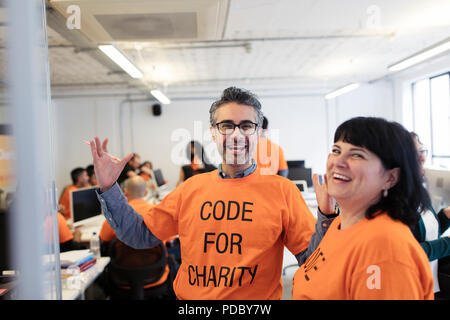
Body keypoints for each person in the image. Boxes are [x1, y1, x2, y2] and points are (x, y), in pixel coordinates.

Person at [88, 87, 330, 300]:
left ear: (259, 133)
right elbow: (138, 234)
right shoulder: (191, 189)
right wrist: (110, 188)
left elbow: (313, 260)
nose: (237, 135)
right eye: (226, 126)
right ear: (213, 133)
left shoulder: (282, 191)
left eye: (247, 126)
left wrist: (326, 217)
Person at [292, 117, 434, 300]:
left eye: (357, 154)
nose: (338, 161)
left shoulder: (385, 248)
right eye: (336, 150)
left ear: (390, 177)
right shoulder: (340, 224)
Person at [410, 132, 450, 295]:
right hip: (415, 289)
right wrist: (448, 244)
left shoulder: (417, 192)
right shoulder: (395, 201)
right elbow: (411, 252)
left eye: (422, 151)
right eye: (415, 153)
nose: (422, 158)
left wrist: (446, 216)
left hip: (432, 286)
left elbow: (428, 235)